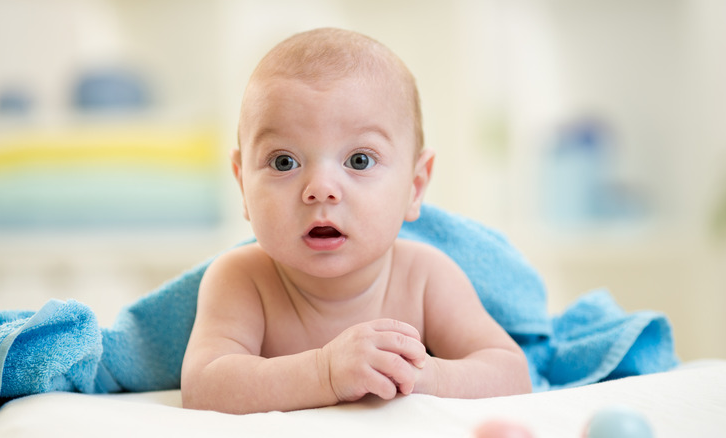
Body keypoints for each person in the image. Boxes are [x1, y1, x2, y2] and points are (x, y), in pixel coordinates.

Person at [181, 27, 532, 414]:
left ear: (414, 187)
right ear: (243, 184)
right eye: (284, 162)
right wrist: (324, 372)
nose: (321, 189)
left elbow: (512, 373)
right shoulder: (242, 279)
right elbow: (204, 386)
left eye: (359, 160)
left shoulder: (424, 277)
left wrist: (427, 375)